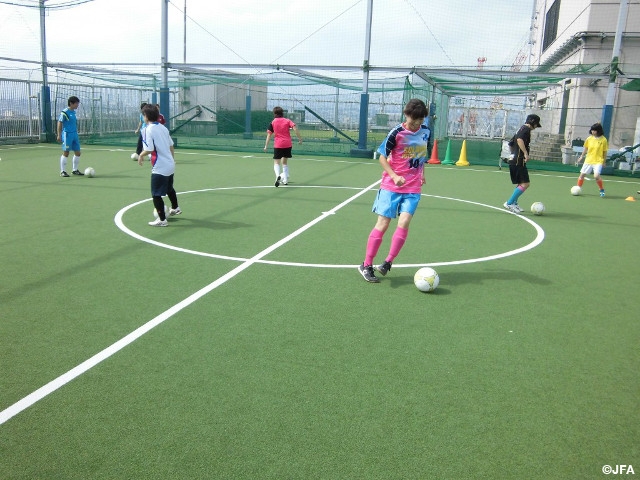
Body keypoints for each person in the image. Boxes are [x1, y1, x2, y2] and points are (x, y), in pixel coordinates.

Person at [358, 98, 430, 283]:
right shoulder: (396, 133)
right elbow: (382, 157)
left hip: (413, 186)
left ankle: (388, 262)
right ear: (406, 115)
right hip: (392, 185)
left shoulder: (426, 132)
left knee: (404, 222)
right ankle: (366, 265)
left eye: (420, 121)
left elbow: (421, 156)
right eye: (414, 121)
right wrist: (394, 175)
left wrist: (422, 173)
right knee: (383, 223)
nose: (416, 125)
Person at [137, 104, 181, 227]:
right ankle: (176, 208)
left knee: (156, 194)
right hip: (170, 164)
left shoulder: (147, 129)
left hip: (160, 166)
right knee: (169, 189)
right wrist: (172, 160)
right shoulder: (163, 128)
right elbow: (171, 146)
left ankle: (162, 220)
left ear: (145, 116)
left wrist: (141, 155)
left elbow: (149, 149)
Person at [503, 114, 542, 213]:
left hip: (515, 160)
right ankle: (509, 202)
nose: (536, 127)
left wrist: (513, 154)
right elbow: (519, 140)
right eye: (536, 125)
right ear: (533, 122)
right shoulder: (525, 129)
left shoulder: (520, 129)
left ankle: (514, 203)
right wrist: (525, 153)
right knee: (526, 184)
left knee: (521, 183)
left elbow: (511, 143)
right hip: (518, 161)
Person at [263, 106, 302, 187]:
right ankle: (285, 180)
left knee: (276, 162)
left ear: (274, 114)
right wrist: (299, 139)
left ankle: (278, 176)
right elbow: (295, 128)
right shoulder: (287, 121)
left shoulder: (273, 122)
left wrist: (266, 146)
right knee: (284, 162)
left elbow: (269, 135)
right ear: (282, 113)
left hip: (278, 144)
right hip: (287, 144)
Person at [575, 123, 607, 197]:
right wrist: (581, 156)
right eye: (592, 130)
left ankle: (601, 189)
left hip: (598, 160)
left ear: (598, 131)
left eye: (594, 130)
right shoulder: (589, 139)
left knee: (596, 176)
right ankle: (578, 188)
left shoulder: (604, 140)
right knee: (582, 175)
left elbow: (604, 151)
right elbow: (586, 148)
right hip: (589, 160)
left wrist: (604, 161)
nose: (593, 131)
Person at [57, 95, 83, 177]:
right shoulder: (64, 112)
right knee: (66, 152)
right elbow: (59, 123)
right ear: (71, 103)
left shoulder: (73, 112)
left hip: (74, 134)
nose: (77, 105)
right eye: (76, 104)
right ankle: (62, 171)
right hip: (67, 134)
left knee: (78, 153)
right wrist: (59, 135)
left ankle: (74, 170)